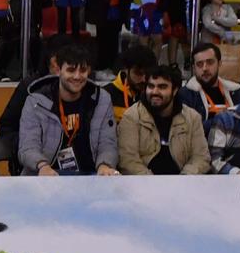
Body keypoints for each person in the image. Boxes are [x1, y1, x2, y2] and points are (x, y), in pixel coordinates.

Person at [15, 36, 117, 176]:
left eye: (82, 70)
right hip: (47, 176)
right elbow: (27, 147)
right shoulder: (36, 101)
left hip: (90, 175)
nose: (77, 76)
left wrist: (104, 165)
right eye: (70, 70)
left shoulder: (102, 99)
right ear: (58, 70)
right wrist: (42, 166)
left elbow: (108, 143)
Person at [118, 63, 211, 175]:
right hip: (143, 186)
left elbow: (200, 158)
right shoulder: (132, 116)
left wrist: (183, 181)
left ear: (175, 90)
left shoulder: (192, 118)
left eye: (162, 87)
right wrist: (153, 184)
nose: (155, 92)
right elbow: (128, 161)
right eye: (151, 86)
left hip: (183, 185)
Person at [181, 39, 240, 126]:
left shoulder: (234, 91)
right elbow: (188, 131)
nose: (205, 68)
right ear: (194, 68)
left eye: (210, 62)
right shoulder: (186, 94)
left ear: (219, 63)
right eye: (200, 64)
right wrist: (217, 121)